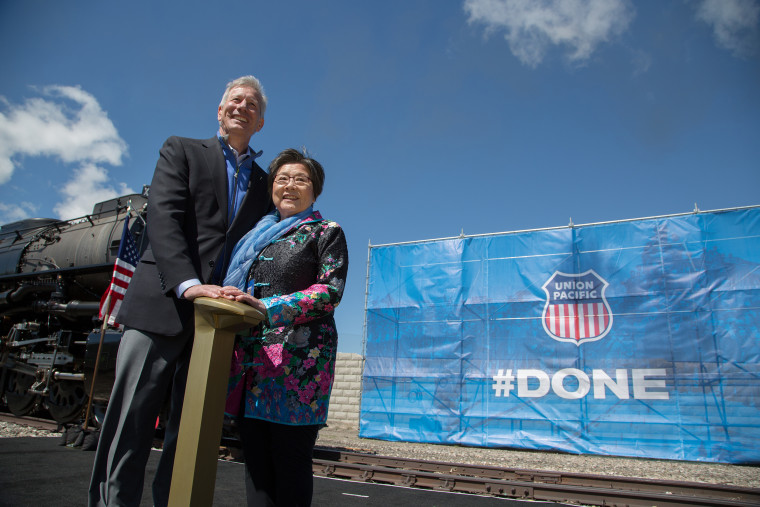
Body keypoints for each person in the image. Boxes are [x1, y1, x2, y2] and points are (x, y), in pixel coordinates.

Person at [89, 75, 273, 507]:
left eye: (251, 104)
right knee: (130, 421)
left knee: (189, 434)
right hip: (162, 300)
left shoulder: (266, 185)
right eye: (235, 99)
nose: (241, 106)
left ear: (260, 122)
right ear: (220, 110)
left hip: (216, 321)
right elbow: (163, 219)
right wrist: (189, 285)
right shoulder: (182, 149)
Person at [220, 148, 349, 506]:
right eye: (282, 179)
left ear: (315, 190)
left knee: (290, 463)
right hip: (251, 366)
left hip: (297, 369)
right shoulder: (256, 237)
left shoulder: (326, 231)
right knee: (256, 466)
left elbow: (329, 292)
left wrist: (267, 307)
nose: (290, 185)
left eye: (300, 179)